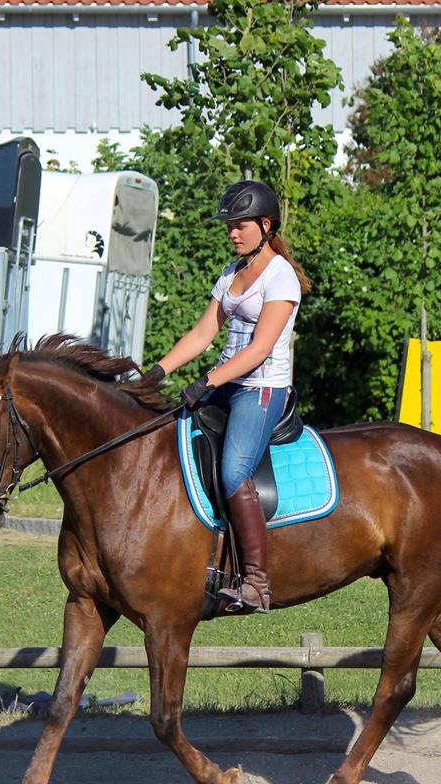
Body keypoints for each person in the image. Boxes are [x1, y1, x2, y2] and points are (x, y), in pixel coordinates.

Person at [147, 180, 309, 613]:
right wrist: (157, 370)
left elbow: (259, 349)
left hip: (261, 390)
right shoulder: (231, 273)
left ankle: (256, 581)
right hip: (227, 381)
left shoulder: (281, 277)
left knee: (235, 471)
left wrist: (210, 381)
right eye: (229, 227)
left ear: (265, 225)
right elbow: (203, 333)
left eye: (240, 226)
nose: (233, 233)